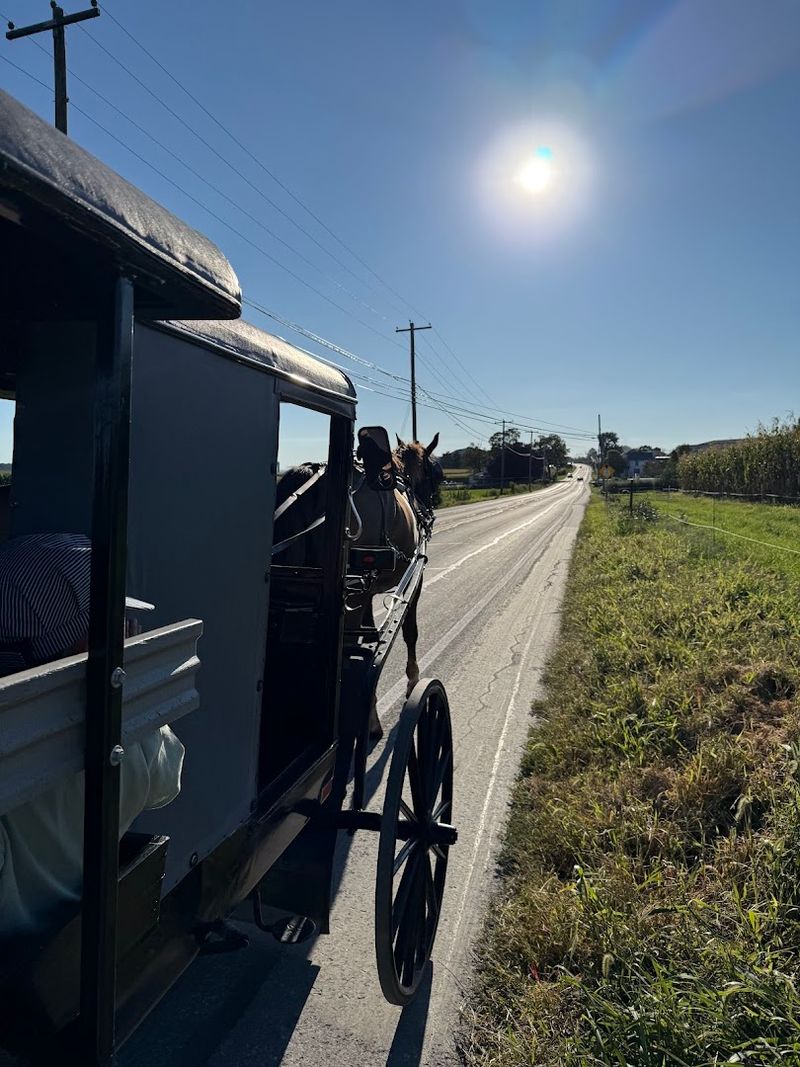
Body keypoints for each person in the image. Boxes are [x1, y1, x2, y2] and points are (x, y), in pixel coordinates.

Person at [0, 532, 185, 939]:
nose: (130, 630)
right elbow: (165, 787)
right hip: (68, 936)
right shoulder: (125, 731)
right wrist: (129, 682)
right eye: (121, 625)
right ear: (90, 644)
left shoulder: (14, 733)